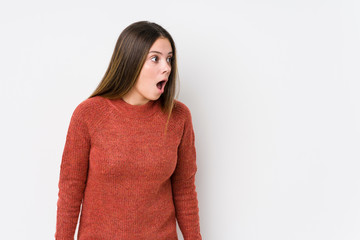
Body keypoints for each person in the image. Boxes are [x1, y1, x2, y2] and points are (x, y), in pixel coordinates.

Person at [55, 21, 202, 240]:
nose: (167, 67)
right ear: (131, 61)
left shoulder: (179, 116)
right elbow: (70, 190)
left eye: (169, 59)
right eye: (155, 58)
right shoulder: (88, 114)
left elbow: (184, 190)